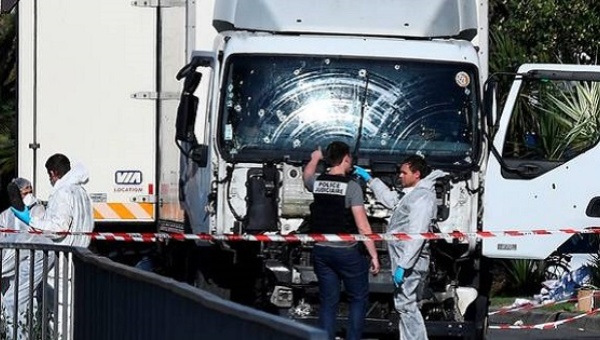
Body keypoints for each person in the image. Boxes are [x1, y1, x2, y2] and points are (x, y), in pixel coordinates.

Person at [354, 155, 446, 340]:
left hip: (411, 261)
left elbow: (417, 234)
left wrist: (404, 265)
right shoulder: (411, 194)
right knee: (404, 305)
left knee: (406, 305)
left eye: (404, 172)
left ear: (417, 174)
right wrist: (370, 180)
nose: (400, 176)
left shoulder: (422, 198)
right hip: (404, 260)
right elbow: (390, 200)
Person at [303, 141, 380, 340]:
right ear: (345, 158)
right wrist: (373, 255)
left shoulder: (318, 182)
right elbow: (363, 226)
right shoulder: (352, 187)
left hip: (321, 250)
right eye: (350, 159)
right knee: (358, 299)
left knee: (328, 302)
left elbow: (306, 177)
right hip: (346, 252)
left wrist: (314, 158)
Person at [11, 153, 94, 339]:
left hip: (62, 260)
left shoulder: (63, 193)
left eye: (49, 176)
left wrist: (32, 220)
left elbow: (58, 228)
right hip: (78, 256)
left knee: (60, 315)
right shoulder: (81, 193)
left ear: (53, 173)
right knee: (71, 315)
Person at [0, 178, 54, 340]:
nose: (28, 194)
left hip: (35, 257)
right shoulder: (7, 215)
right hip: (23, 260)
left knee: (14, 300)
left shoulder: (36, 210)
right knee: (17, 300)